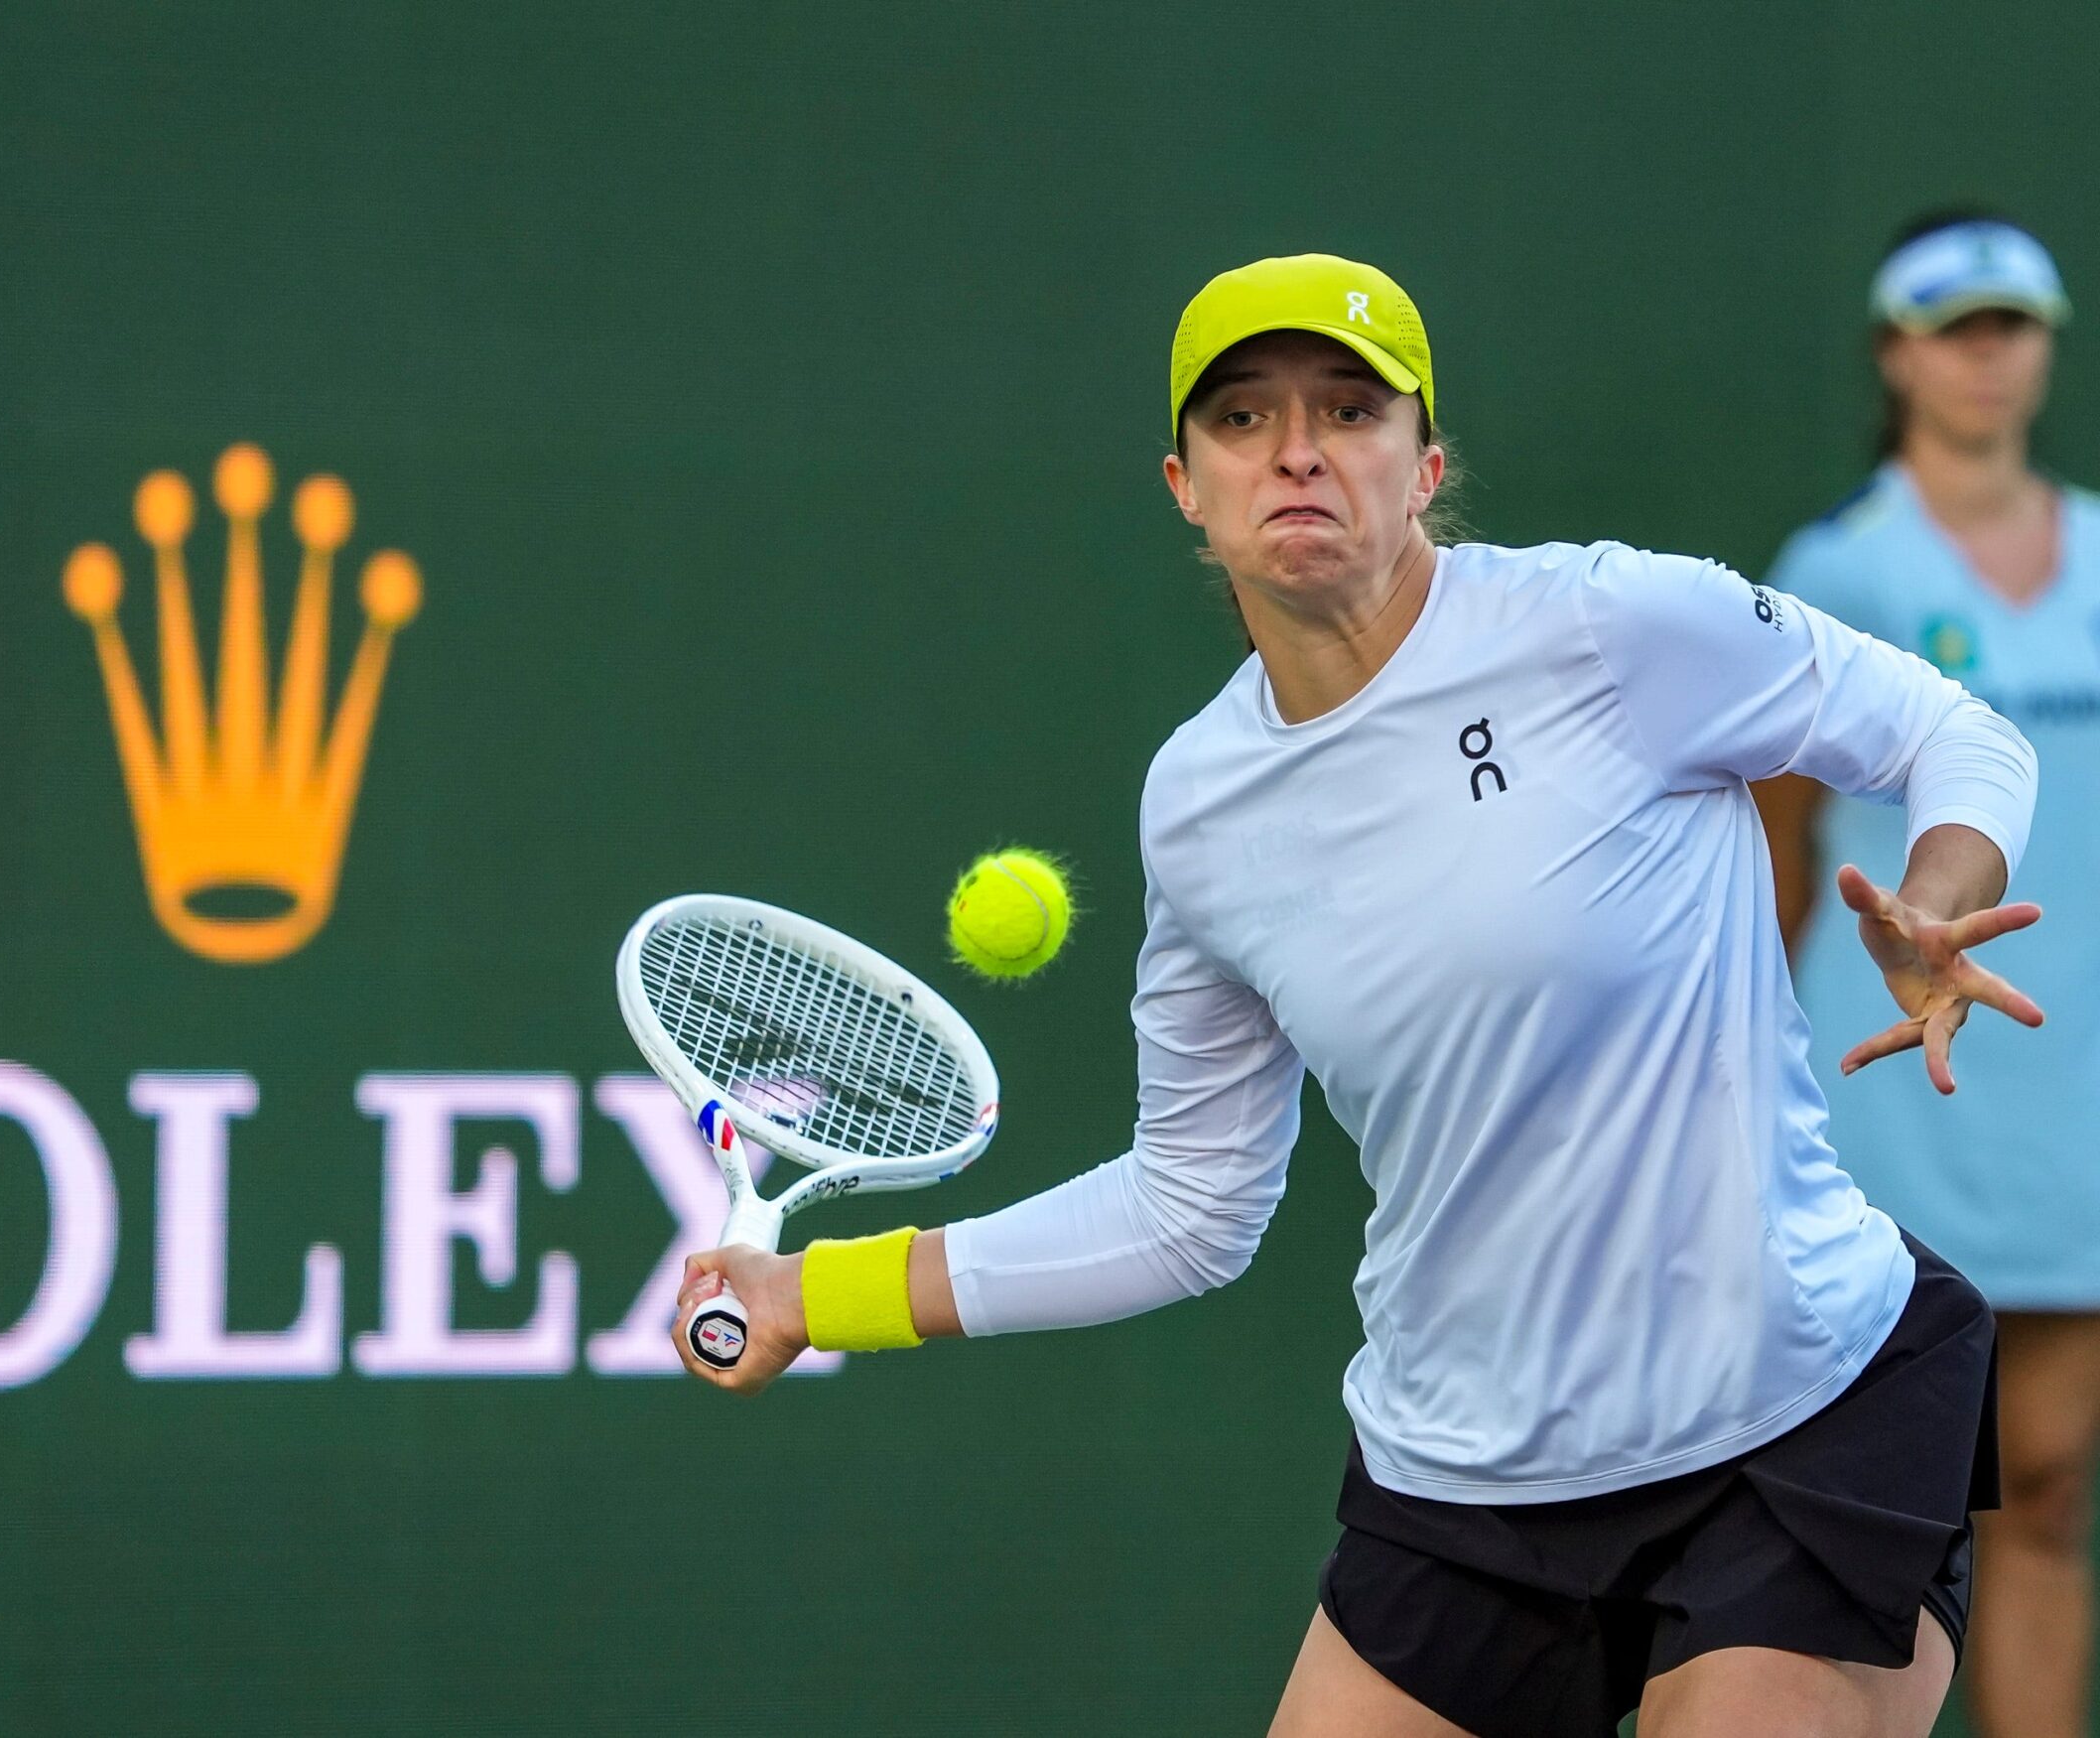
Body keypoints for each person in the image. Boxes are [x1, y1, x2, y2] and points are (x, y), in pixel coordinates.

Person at [674, 253, 2046, 1737]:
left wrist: (1943, 891)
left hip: (1800, 1416)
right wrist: (820, 1297)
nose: (1300, 450)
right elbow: (1187, 1207)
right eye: (1245, 421)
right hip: (1470, 1480)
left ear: (1426, 463)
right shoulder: (1199, 807)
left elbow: (1952, 734)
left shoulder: (1607, 627)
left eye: (1348, 408)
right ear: (1185, 487)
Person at [1756, 210, 2100, 1738]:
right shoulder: (1836, 571)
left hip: (2076, 1097)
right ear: (1897, 355)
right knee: (1895, 1508)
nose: (1986, 355)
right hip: (1896, 1094)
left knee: (2047, 1485)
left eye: (2011, 324)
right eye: (1954, 327)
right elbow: (1775, 854)